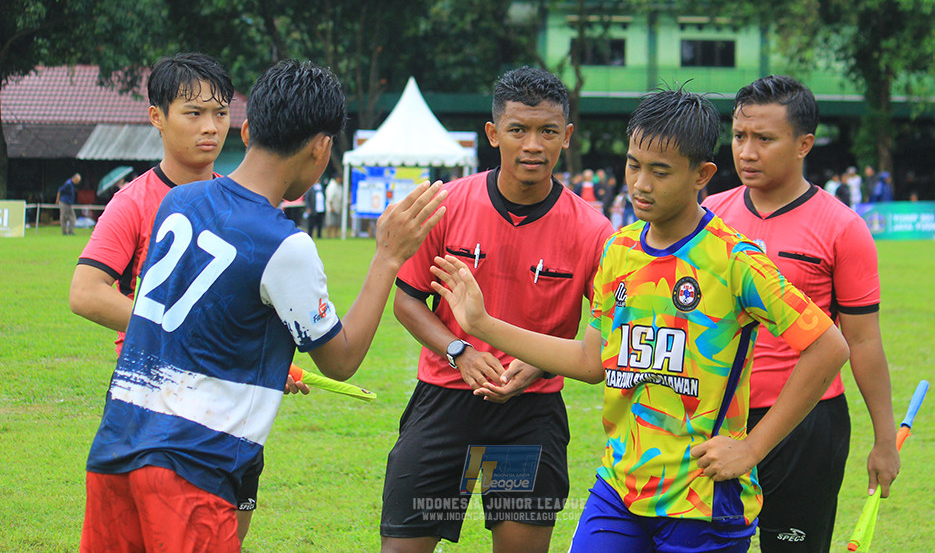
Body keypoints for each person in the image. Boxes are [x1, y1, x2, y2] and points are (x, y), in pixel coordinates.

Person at [430, 87, 850, 553]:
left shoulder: (735, 260)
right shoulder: (619, 249)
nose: (641, 184)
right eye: (634, 164)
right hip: (619, 491)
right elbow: (592, 361)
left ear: (702, 175)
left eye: (660, 171)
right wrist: (484, 325)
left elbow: (829, 346)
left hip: (702, 501)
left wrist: (752, 448)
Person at [79, 59, 447, 552]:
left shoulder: (178, 202)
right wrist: (388, 256)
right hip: (193, 468)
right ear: (321, 148)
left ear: (247, 128)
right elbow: (340, 360)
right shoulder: (283, 244)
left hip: (116, 448)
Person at [380, 66, 613, 553]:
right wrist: (458, 350)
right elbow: (406, 299)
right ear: (493, 134)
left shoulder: (593, 230)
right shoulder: (446, 205)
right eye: (518, 130)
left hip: (530, 414)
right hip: (443, 401)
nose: (533, 144)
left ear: (565, 137)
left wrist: (543, 362)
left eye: (547, 131)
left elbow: (609, 327)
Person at [70, 52, 281, 543]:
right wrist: (178, 324)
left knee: (226, 534)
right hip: (152, 402)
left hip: (232, 407)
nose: (211, 127)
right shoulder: (134, 201)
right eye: (193, 113)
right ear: (157, 118)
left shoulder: (246, 204)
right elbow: (86, 292)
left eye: (221, 113)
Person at [703, 75, 899, 553]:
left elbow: (864, 342)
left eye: (764, 139)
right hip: (717, 417)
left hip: (807, 424)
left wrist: (884, 439)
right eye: (739, 136)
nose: (746, 152)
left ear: (803, 144)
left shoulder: (842, 228)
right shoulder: (706, 215)